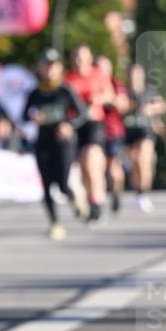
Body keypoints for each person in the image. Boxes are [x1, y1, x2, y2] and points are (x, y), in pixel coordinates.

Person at [24, 48, 87, 239]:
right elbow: (24, 114)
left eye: (53, 65)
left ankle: (75, 197)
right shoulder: (35, 92)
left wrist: (68, 125)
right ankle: (55, 223)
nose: (50, 70)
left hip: (63, 143)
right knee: (46, 185)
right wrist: (33, 116)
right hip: (43, 141)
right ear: (40, 68)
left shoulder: (65, 90)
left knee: (61, 183)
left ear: (59, 67)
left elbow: (82, 114)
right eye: (46, 65)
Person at [65, 45, 109, 222]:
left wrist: (98, 98)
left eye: (82, 57)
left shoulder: (98, 75)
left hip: (94, 122)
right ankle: (90, 198)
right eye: (76, 57)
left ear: (90, 59)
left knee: (91, 160)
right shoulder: (67, 79)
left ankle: (97, 201)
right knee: (82, 167)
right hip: (76, 124)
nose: (79, 61)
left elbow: (110, 95)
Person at [124, 63, 166, 212]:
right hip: (129, 133)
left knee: (143, 159)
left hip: (146, 132)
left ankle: (144, 193)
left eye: (137, 75)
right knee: (135, 162)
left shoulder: (149, 91)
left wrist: (151, 109)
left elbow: (162, 105)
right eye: (132, 75)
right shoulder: (124, 92)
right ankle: (139, 191)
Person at [96, 56, 129, 213]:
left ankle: (116, 192)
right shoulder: (92, 83)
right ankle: (98, 199)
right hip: (95, 131)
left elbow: (123, 105)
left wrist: (108, 99)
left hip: (113, 131)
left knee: (113, 167)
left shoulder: (116, 84)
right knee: (98, 166)